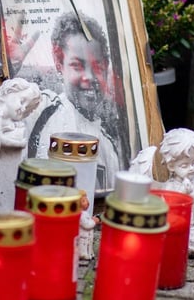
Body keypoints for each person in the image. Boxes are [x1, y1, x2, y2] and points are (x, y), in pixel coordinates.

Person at [25, 11, 126, 196]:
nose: (89, 77)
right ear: (58, 63)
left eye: (97, 67)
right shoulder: (39, 111)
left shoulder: (108, 146)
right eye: (77, 66)